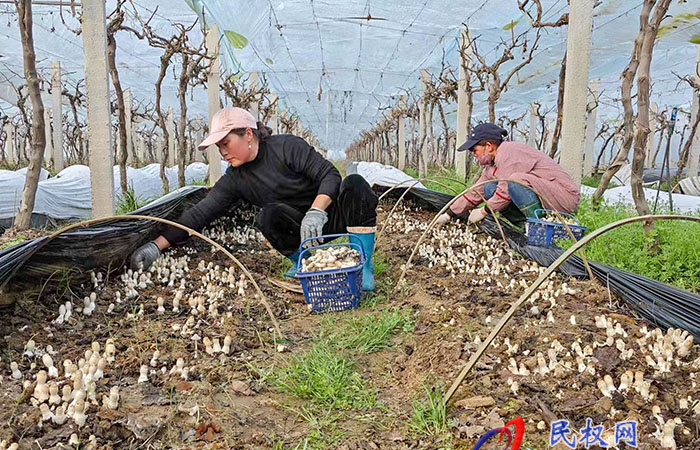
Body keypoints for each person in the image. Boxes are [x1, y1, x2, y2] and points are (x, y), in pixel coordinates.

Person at [129, 107, 379, 291]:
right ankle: (305, 261)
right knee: (268, 215)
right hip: (298, 231)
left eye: (226, 142)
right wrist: (156, 246)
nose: (223, 152)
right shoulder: (236, 179)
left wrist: (317, 210)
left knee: (355, 184)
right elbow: (200, 212)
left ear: (248, 134)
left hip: (329, 218)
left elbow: (329, 174)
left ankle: (364, 269)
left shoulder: (286, 147)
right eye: (219, 147)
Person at [436, 123, 580, 230]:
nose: (474, 155)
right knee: (488, 188)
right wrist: (449, 214)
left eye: (475, 150)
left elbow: (505, 188)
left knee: (515, 180)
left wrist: (483, 211)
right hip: (545, 196)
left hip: (563, 197)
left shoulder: (509, 153)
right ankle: (526, 226)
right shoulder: (492, 166)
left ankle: (541, 227)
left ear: (488, 146)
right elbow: (475, 192)